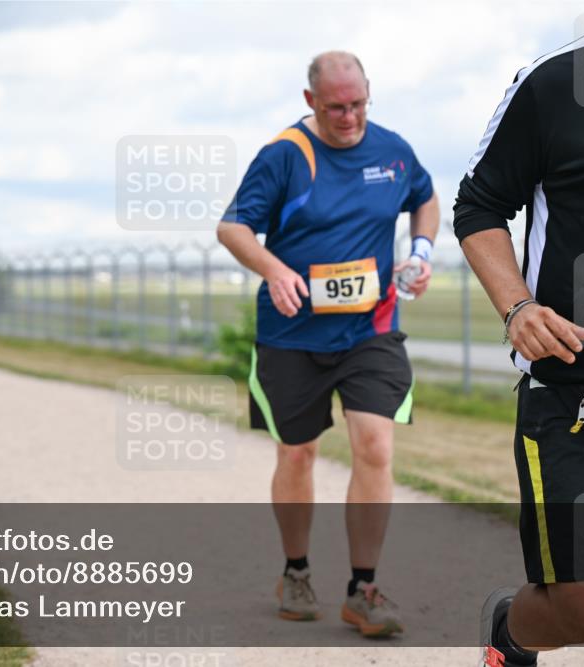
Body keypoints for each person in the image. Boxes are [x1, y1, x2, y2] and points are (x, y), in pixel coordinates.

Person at [217, 51, 439, 636]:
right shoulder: (285, 156)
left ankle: (362, 589)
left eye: (359, 104)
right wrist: (273, 270)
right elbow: (232, 227)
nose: (349, 117)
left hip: (372, 329)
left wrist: (420, 251)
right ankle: (295, 570)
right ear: (310, 100)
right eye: (337, 107)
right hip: (292, 335)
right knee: (298, 453)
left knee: (375, 447)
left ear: (370, 94)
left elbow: (426, 197)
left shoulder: (392, 150)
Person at [453, 5, 584, 666]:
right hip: (576, 392)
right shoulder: (557, 83)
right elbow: (478, 204)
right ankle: (512, 631)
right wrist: (517, 307)